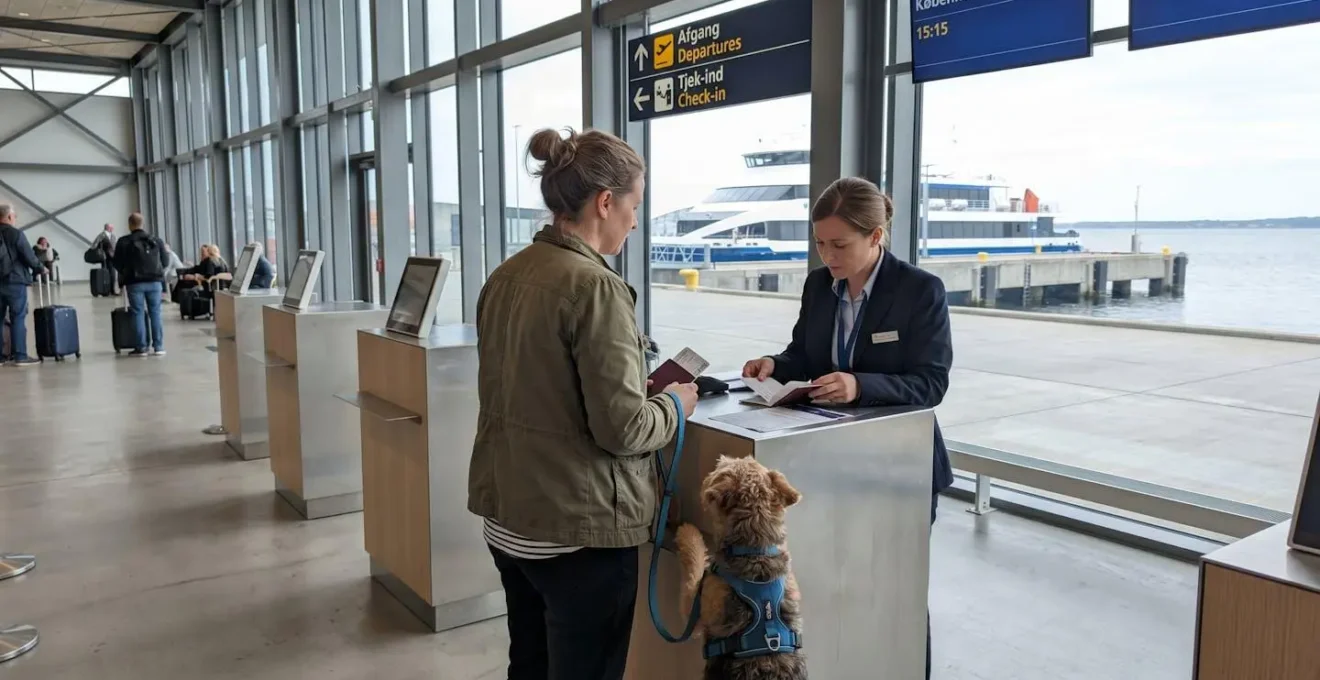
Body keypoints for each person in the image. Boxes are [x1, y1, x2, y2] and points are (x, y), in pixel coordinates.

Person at [467, 127, 698, 680]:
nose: (635, 222)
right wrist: (674, 404)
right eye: (634, 206)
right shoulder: (596, 288)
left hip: (509, 519)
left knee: (530, 664)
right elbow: (623, 430)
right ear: (604, 202)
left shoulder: (506, 275)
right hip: (575, 534)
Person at [740, 176, 953, 680]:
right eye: (819, 243)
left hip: (898, 468)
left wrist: (860, 386)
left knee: (895, 593)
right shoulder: (820, 287)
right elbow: (804, 356)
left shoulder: (919, 291)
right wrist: (774, 363)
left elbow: (931, 383)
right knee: (835, 588)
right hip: (830, 464)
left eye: (840, 244)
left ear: (876, 236)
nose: (827, 255)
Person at [113, 213, 170, 358]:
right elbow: (166, 261)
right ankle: (159, 347)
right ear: (142, 224)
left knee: (137, 313)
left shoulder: (124, 241)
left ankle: (141, 348)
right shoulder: (156, 240)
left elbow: (117, 263)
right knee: (155, 313)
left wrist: (126, 273)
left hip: (134, 283)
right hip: (155, 282)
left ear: (130, 225)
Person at [0, 203, 48, 366]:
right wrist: (41, 268)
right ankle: (20, 355)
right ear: (10, 217)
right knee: (18, 318)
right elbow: (29, 256)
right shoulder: (16, 234)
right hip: (15, 281)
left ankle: (1, 356)